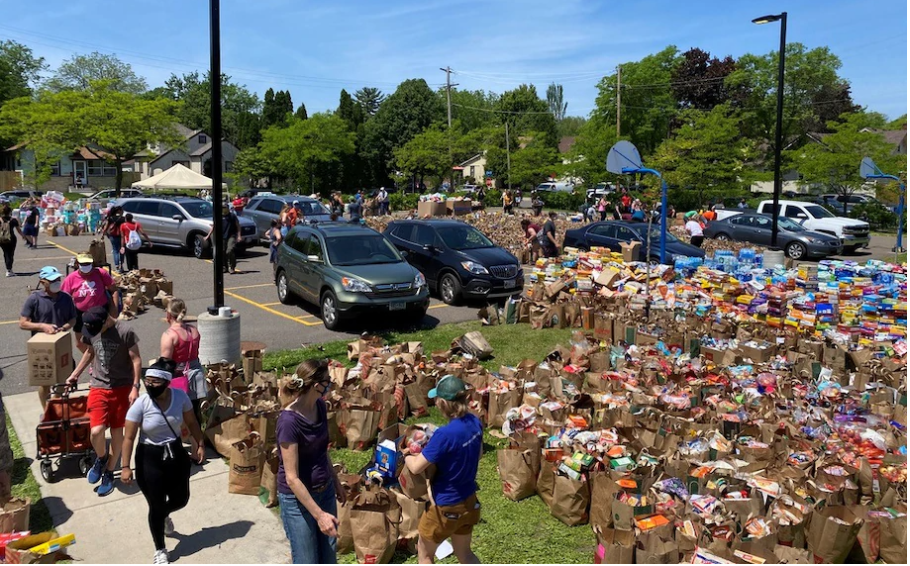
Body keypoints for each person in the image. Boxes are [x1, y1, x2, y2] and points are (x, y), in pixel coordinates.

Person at [121, 360, 204, 565]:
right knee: (155, 505)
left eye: (155, 382)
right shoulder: (141, 404)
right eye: (147, 381)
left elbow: (192, 422)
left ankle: (163, 514)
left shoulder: (180, 397)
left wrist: (200, 443)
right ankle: (160, 549)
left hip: (175, 453)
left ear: (167, 383)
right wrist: (125, 467)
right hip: (149, 457)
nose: (150, 385)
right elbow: (128, 437)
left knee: (181, 499)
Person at [404, 375, 482, 565]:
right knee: (465, 554)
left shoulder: (444, 435)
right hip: (469, 501)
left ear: (442, 403)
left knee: (425, 555)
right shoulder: (475, 421)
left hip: (445, 505)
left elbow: (416, 467)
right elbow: (479, 454)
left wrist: (405, 454)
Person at [66, 306, 141, 497]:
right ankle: (101, 458)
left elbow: (136, 360)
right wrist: (75, 375)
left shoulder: (126, 331)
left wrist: (135, 387)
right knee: (96, 431)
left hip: (122, 388)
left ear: (106, 320)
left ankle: (109, 471)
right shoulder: (93, 329)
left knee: (117, 433)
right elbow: (89, 352)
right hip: (98, 386)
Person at [277, 360, 344, 564]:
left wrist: (336, 482)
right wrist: (320, 515)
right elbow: (292, 478)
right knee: (307, 560)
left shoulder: (320, 406)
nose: (330, 384)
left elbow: (322, 450)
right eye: (328, 381)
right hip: (297, 502)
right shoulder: (289, 422)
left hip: (325, 491)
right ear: (316, 385)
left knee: (328, 559)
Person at [20, 266, 78, 408]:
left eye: (58, 279)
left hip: (61, 345)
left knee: (63, 380)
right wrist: (42, 326)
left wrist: (64, 327)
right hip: (44, 349)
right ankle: (46, 410)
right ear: (43, 282)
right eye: (52, 280)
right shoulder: (34, 299)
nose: (56, 282)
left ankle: (55, 405)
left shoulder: (66, 298)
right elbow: (23, 323)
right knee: (45, 382)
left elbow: (73, 319)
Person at [159, 298, 206, 459]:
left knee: (174, 416)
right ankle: (197, 450)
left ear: (168, 315)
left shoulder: (169, 335)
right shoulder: (194, 331)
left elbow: (165, 364)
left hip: (178, 379)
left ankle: (175, 451)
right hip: (195, 375)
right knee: (194, 414)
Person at [62, 254, 120, 351]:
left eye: (88, 263)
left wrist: (114, 308)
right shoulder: (71, 278)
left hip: (100, 312)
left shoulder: (101, 273)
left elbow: (113, 290)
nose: (85, 266)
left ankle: (102, 358)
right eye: (83, 264)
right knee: (80, 343)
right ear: (77, 264)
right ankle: (93, 358)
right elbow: (64, 297)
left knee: (104, 340)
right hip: (80, 313)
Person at [204, 202, 241, 274]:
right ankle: (224, 266)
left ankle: (232, 267)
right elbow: (214, 226)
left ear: (228, 208)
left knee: (229, 250)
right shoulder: (218, 216)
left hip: (231, 236)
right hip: (222, 236)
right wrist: (208, 236)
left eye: (225, 207)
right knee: (222, 252)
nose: (223, 209)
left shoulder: (232, 216)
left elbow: (238, 226)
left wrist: (239, 236)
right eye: (222, 208)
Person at [0, 205, 24, 277]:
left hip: (2, 239)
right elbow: (18, 230)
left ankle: (8, 269)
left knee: (5, 253)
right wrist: (23, 236)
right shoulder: (13, 220)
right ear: (10, 212)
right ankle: (9, 270)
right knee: (10, 254)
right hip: (11, 238)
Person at [100, 206, 125, 271]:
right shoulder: (123, 219)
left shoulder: (110, 218)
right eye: (122, 210)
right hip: (121, 235)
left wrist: (103, 235)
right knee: (122, 249)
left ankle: (117, 266)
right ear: (119, 211)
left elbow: (106, 227)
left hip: (112, 235)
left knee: (115, 250)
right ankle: (121, 265)